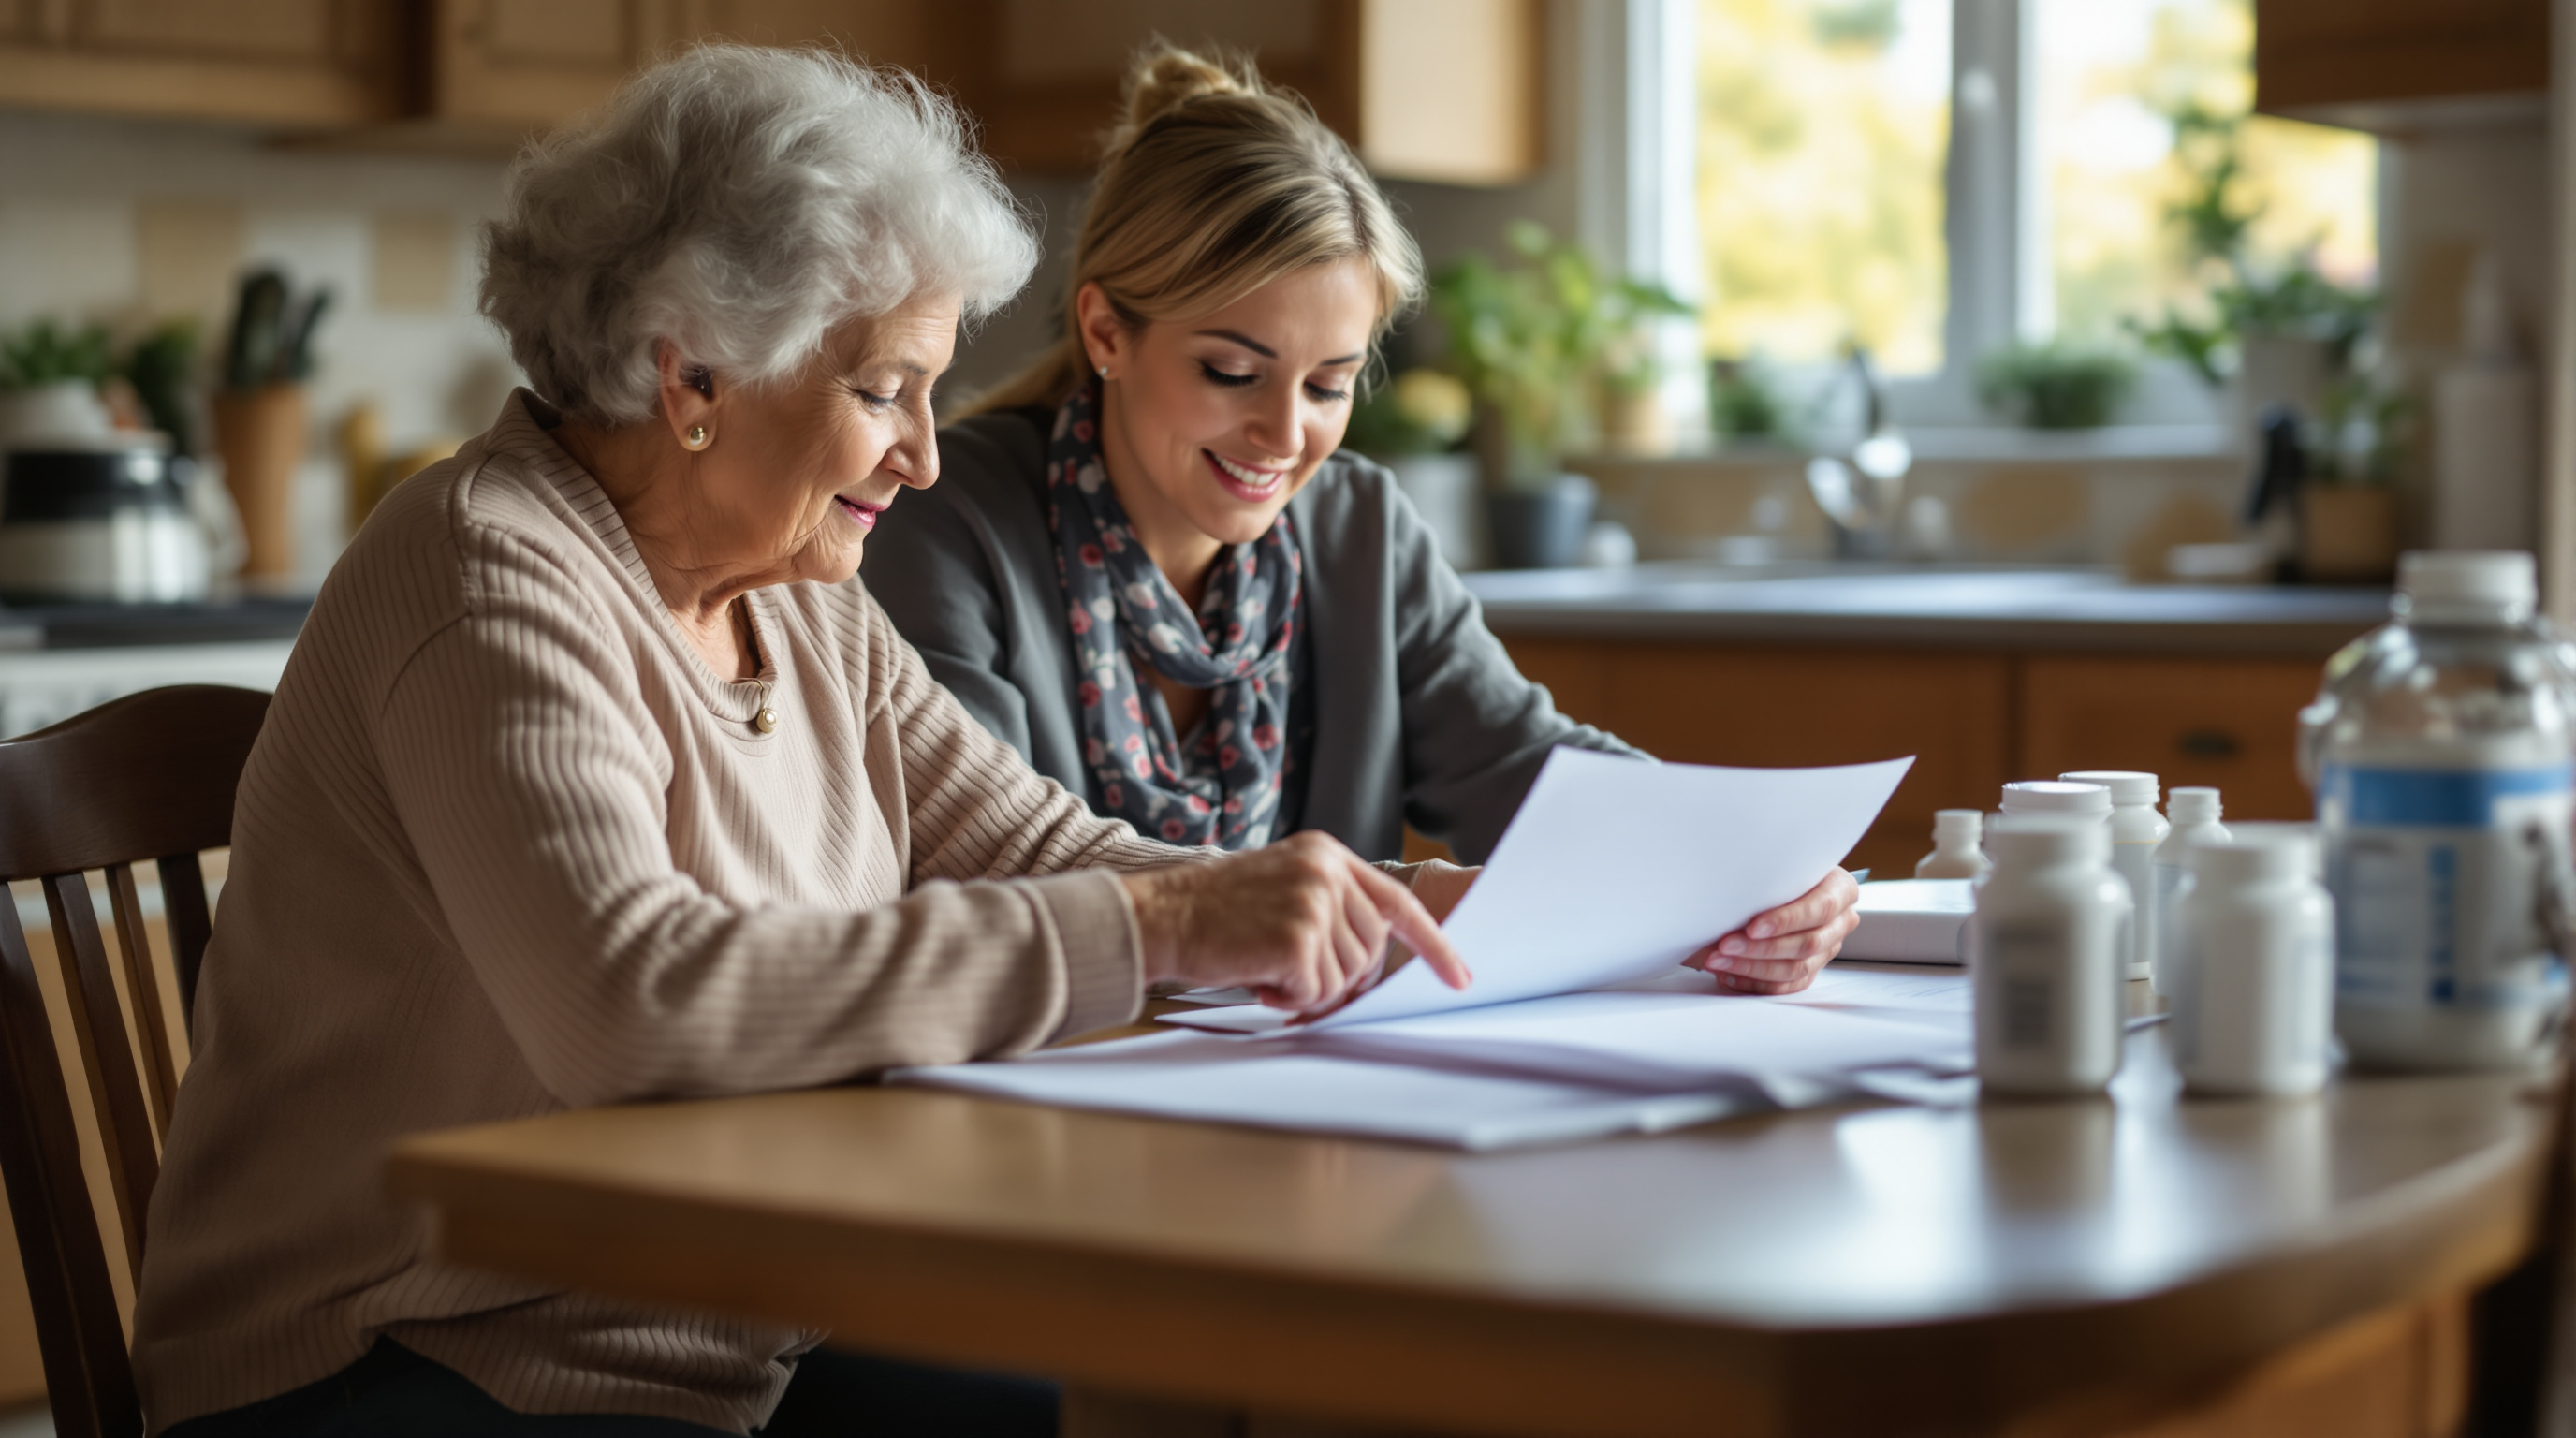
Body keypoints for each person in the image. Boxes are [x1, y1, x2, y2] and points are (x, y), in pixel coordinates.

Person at [131, 47, 1467, 1438]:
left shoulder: (796, 596)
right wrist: (1177, 926)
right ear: (696, 369)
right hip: (405, 1352)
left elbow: (1043, 850)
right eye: (886, 390)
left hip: (718, 1323)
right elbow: (631, 1004)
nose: (926, 457)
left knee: (1127, 1390)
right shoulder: (488, 576)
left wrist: (1405, 911)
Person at [868, 45, 1860, 997]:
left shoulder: (1360, 528)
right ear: (1105, 333)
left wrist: (1751, 870)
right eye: (1231, 373)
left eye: (1329, 386)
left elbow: (1526, 768)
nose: (1283, 434)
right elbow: (982, 867)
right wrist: (1403, 901)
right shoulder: (945, 523)